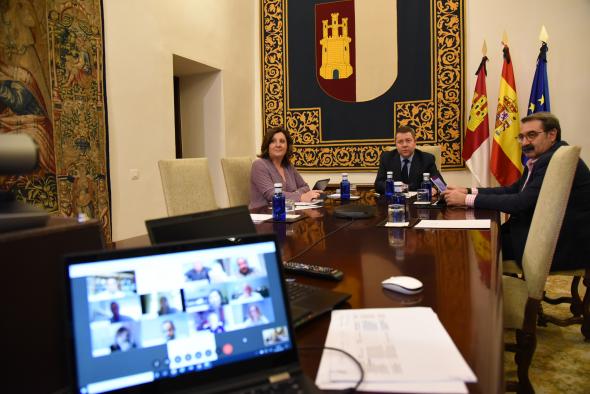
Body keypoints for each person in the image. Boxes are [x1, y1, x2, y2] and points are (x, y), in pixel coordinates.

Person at [442, 112, 590, 271]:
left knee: (472, 247)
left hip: (560, 246)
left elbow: (520, 203)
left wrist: (465, 200)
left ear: (552, 134)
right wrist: (468, 190)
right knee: (476, 236)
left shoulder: (554, 160)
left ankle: (489, 294)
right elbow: (513, 189)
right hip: (539, 234)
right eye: (522, 137)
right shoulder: (544, 157)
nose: (525, 142)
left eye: (531, 135)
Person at [249, 126, 321, 209]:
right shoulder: (259, 165)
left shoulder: (288, 166)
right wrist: (300, 197)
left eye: (282, 141)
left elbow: (305, 187)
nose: (278, 145)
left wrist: (295, 193)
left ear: (287, 146)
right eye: (273, 141)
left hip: (286, 213)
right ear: (267, 146)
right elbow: (272, 194)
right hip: (263, 215)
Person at [374, 126, 443, 192]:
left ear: (415, 142)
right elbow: (378, 184)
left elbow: (440, 184)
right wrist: (396, 187)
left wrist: (435, 189)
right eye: (400, 142)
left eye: (408, 140)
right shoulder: (387, 158)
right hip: (394, 201)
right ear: (396, 144)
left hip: (419, 201)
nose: (404, 145)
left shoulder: (427, 159)